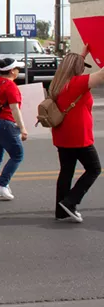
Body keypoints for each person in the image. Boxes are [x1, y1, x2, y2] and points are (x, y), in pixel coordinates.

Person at [49, 45, 104, 222]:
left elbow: (69, 65)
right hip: (79, 137)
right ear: (76, 69)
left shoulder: (57, 84)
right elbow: (102, 74)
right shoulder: (78, 84)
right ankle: (71, 202)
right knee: (94, 169)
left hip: (61, 135)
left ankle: (61, 210)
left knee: (66, 171)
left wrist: (83, 53)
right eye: (81, 66)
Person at [0, 57, 28, 200]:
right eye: (17, 69)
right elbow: (15, 109)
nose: (18, 71)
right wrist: (22, 128)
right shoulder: (10, 86)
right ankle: (2, 184)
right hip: (5, 124)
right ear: (12, 71)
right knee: (17, 155)